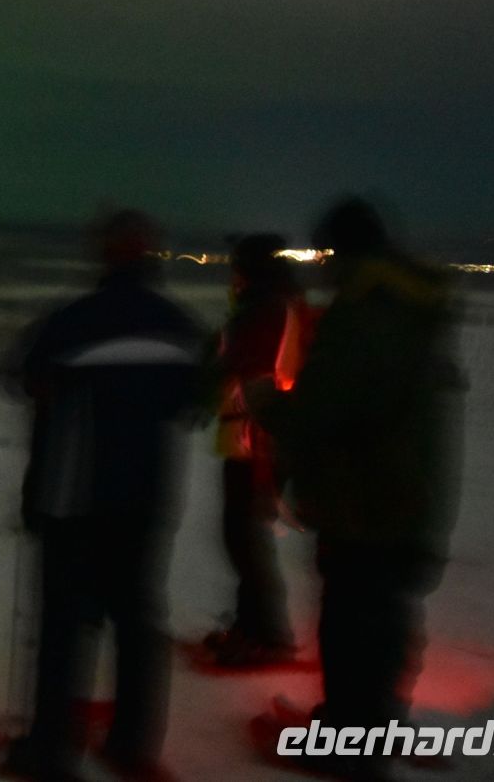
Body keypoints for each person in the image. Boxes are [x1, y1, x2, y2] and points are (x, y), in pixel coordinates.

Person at [249, 197, 463, 779]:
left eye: (326, 255)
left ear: (342, 252)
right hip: (411, 494)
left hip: (365, 499)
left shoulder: (364, 313)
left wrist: (269, 403)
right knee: (387, 616)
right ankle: (371, 724)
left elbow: (324, 411)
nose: (321, 268)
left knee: (352, 623)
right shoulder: (416, 308)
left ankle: (349, 745)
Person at [0, 210, 204, 782]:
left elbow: (21, 379)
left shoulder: (70, 322)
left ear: (104, 256)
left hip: (73, 496)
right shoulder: (180, 327)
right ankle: (133, 745)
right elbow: (191, 404)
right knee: (137, 618)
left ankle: (50, 752)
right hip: (145, 499)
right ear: (151, 256)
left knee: (66, 622)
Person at [201, 233, 305, 667]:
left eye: (237, 266)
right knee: (244, 537)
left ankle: (269, 636)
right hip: (250, 436)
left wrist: (212, 379)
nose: (233, 274)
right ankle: (251, 627)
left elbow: (251, 373)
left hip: (257, 439)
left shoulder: (264, 311)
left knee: (245, 539)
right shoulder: (264, 306)